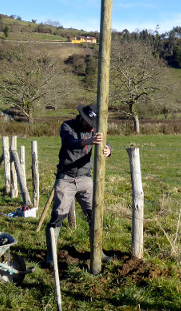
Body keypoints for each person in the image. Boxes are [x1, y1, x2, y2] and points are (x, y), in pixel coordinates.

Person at [44, 104, 111, 266]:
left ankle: (98, 252)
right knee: (58, 216)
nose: (89, 125)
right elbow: (70, 143)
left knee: (94, 214)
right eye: (87, 122)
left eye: (91, 123)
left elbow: (106, 143)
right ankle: (51, 255)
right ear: (81, 116)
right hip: (65, 178)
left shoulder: (95, 128)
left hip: (85, 178)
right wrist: (89, 140)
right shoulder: (67, 126)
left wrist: (108, 150)